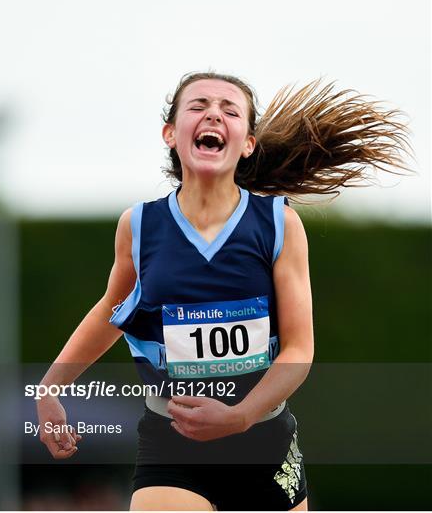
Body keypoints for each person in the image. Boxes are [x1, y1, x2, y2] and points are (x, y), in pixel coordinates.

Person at [36, 71, 413, 511]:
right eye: (198, 106)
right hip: (172, 438)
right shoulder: (139, 226)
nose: (213, 113)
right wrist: (50, 387)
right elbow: (112, 310)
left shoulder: (278, 225)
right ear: (171, 134)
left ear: (247, 142)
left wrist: (241, 416)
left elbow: (298, 350)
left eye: (229, 110)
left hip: (263, 441)